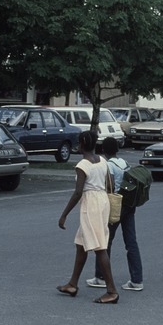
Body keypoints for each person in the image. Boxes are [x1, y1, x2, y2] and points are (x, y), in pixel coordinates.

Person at [57, 129, 119, 304]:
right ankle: (73, 284)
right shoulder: (103, 161)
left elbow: (78, 193)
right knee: (81, 244)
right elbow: (111, 184)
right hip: (103, 201)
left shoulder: (83, 165)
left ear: (82, 144)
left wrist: (64, 215)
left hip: (90, 204)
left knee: (99, 247)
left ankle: (112, 291)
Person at [87, 137, 144, 292]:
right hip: (129, 204)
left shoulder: (108, 165)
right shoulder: (124, 162)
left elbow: (109, 187)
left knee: (105, 241)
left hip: (115, 205)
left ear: (104, 150)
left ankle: (101, 277)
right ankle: (137, 280)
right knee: (131, 241)